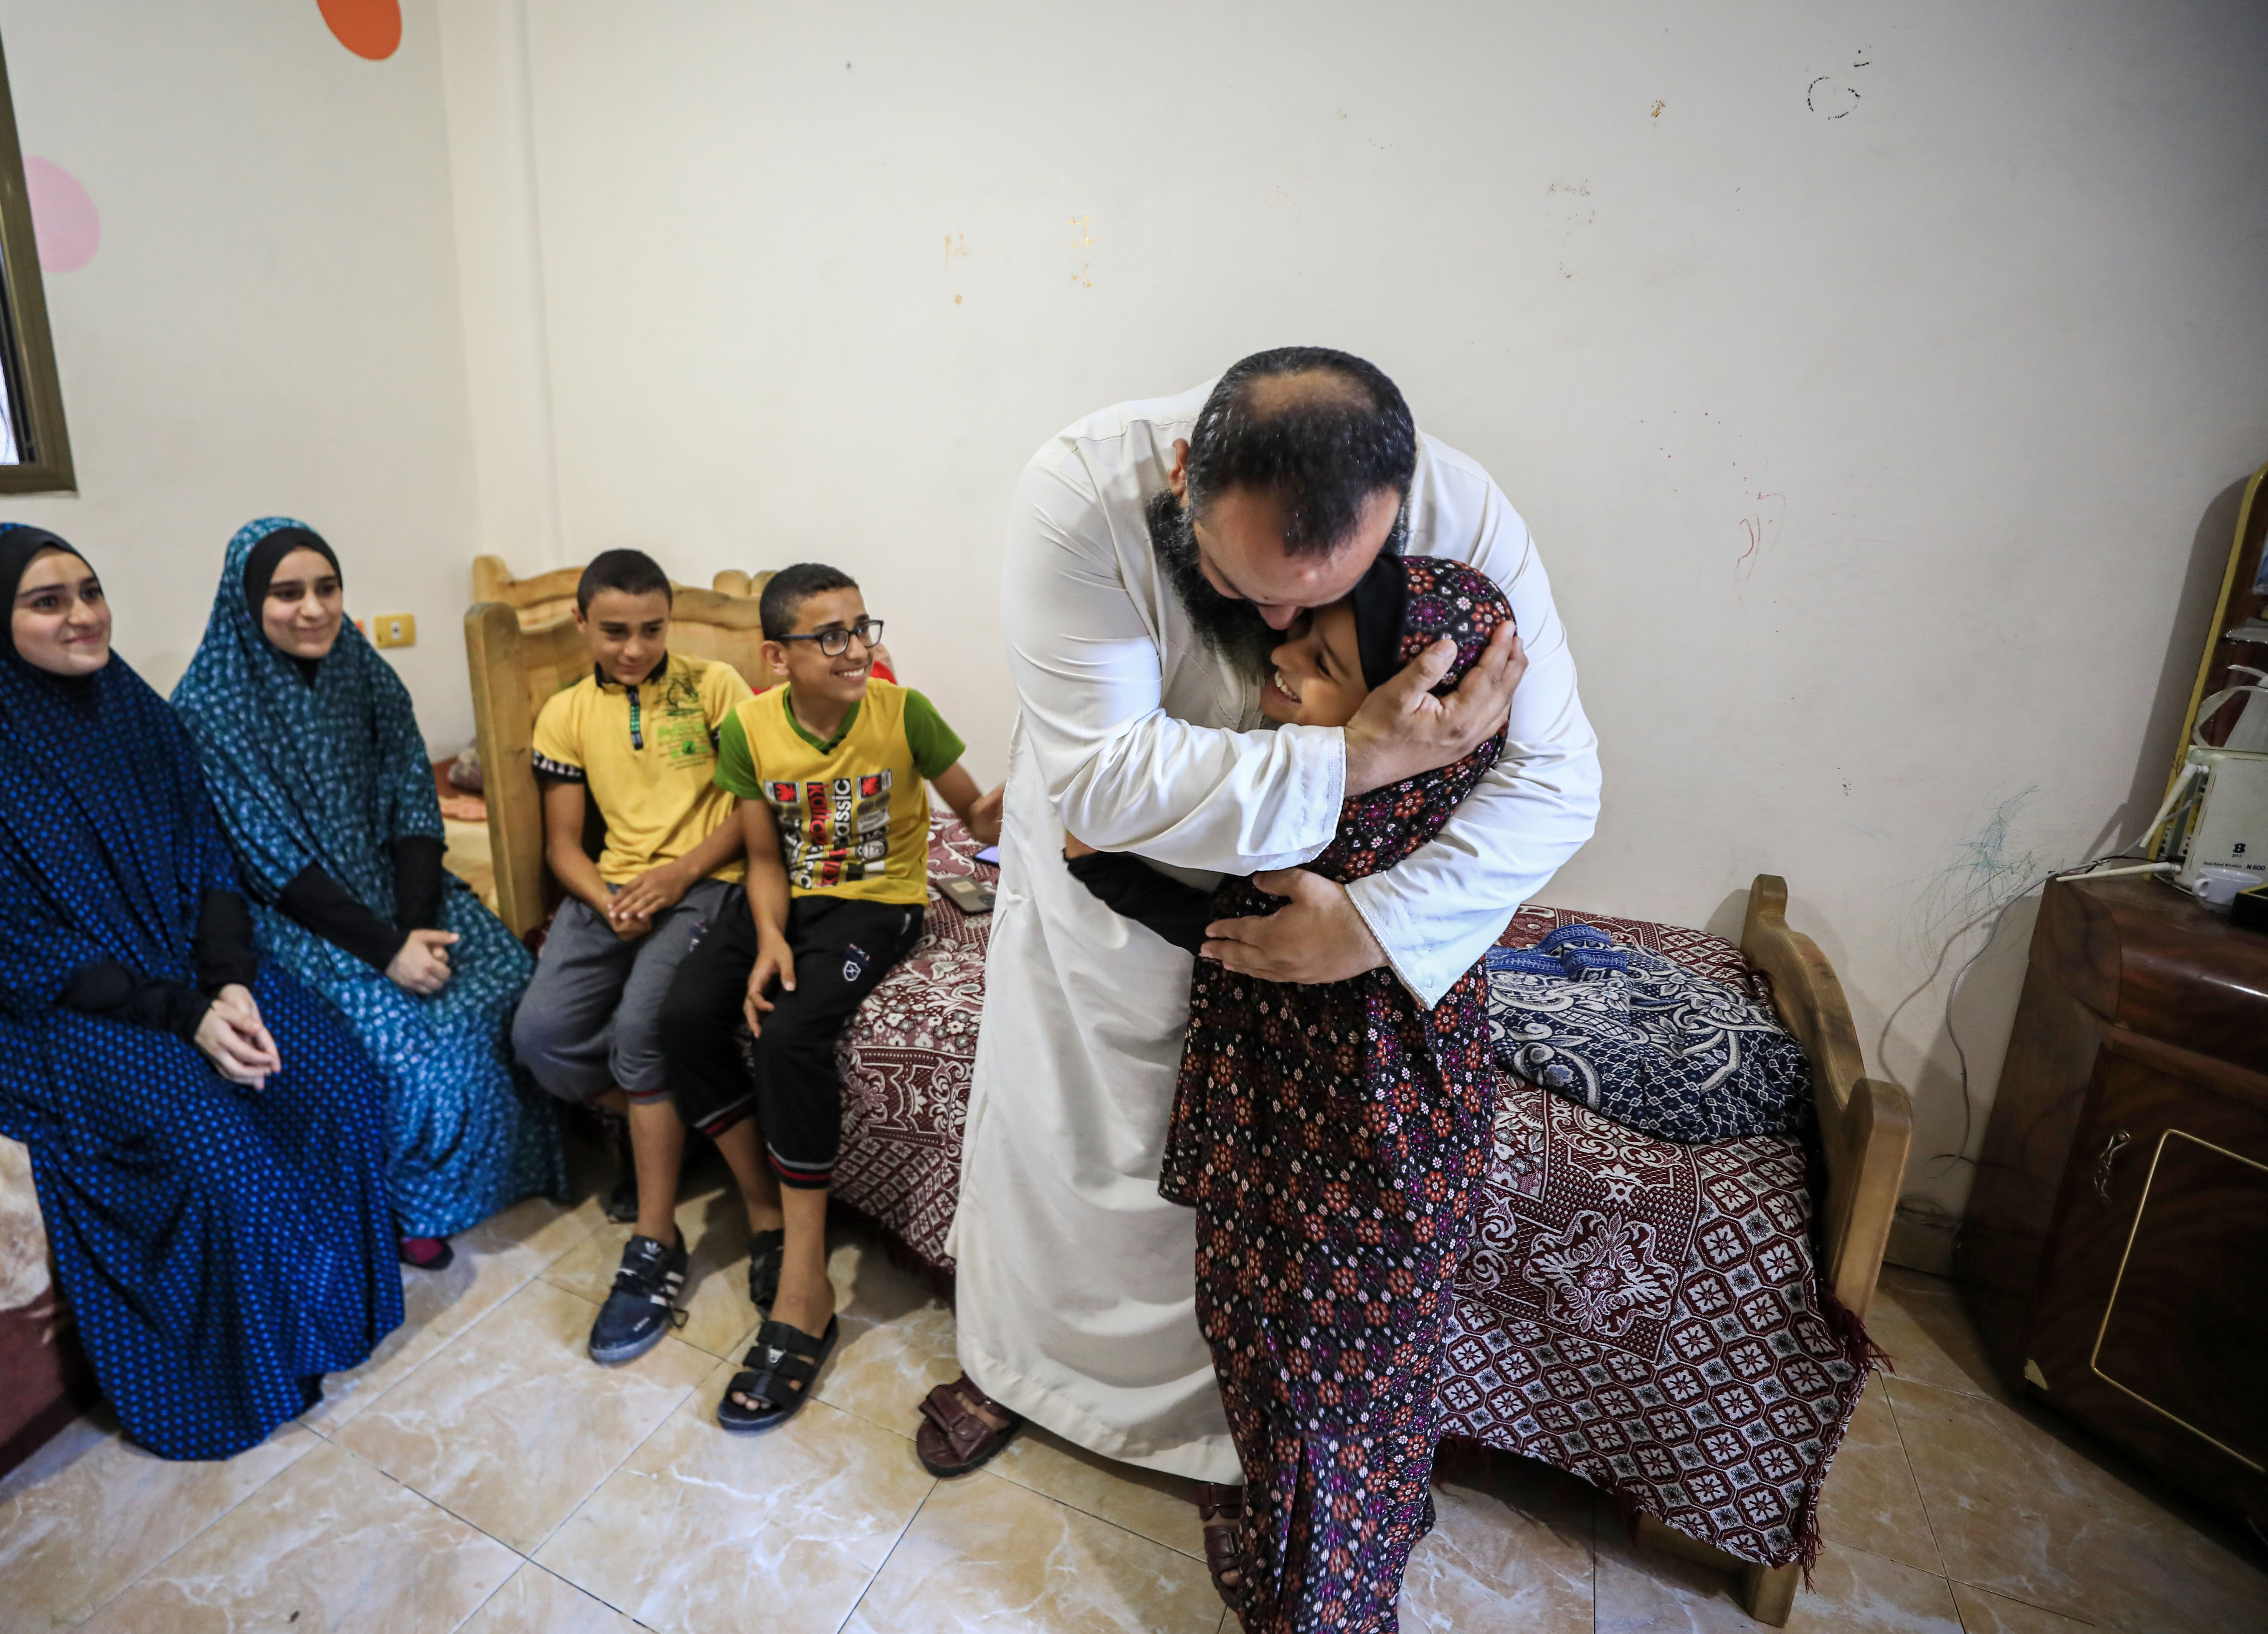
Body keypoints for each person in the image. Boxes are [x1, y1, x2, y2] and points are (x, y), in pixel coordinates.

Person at [921, 349, 1599, 1596]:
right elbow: (1107, 782)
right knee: (1071, 1147)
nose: (1276, 628)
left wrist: (1371, 924)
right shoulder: (1075, 493)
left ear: (1392, 510)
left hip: (1326, 918)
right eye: (1245, 588)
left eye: (1318, 602)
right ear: (1185, 477)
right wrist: (1352, 758)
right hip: (1106, 876)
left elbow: (1556, 775)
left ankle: (1234, 1451)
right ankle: (1017, 1367)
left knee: (1257, 1242)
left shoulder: (1460, 506)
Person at [0, 523, 403, 1460]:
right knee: (214, 1149)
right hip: (57, 1004)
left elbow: (210, 860)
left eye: (89, 591)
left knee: (337, 1084)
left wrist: (231, 980)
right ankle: (251, 1375)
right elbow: (12, 952)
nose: (82, 616)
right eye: (48, 602)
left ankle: (334, 1318)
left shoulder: (135, 710)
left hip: (183, 968)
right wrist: (185, 1016)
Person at [1070, 555, 1513, 1629]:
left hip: (1328, 1184)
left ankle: (1314, 1605)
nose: (1277, 658)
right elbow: (1249, 939)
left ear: (1418, 714)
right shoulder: (1428, 830)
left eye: (1318, 661)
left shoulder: (1313, 821)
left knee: (1304, 1408)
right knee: (1362, 1407)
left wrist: (1102, 862)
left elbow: (1223, 912)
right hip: (1388, 1171)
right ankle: (1351, 1545)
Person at [654, 563, 1001, 1432]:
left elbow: (975, 816)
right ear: (777, 657)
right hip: (781, 904)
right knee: (685, 1015)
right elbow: (764, 858)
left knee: (788, 1036)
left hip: (874, 906)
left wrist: (1010, 805)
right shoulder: (751, 729)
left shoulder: (903, 713)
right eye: (832, 634)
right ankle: (764, 1210)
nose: (858, 648)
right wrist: (767, 938)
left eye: (862, 627)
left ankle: (804, 1291)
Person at [172, 518, 565, 1269]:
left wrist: (418, 926)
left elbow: (413, 798)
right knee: (410, 1043)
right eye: (287, 593)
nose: (314, 608)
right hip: (300, 911)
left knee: (511, 982)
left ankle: (515, 1169)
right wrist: (387, 951)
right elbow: (268, 859)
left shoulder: (366, 671)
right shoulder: (211, 706)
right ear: (247, 601)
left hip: (394, 890)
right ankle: (417, 1208)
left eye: (327, 587)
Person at [507, 549, 753, 1363]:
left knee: (640, 1030)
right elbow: (563, 845)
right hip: (611, 887)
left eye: (651, 630)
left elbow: (753, 809)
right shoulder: (565, 712)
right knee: (539, 1035)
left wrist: (679, 871)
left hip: (703, 881)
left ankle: (655, 1241)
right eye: (614, 631)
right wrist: (606, 897)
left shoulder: (714, 686)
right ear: (582, 623)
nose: (634, 648)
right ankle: (654, 1130)